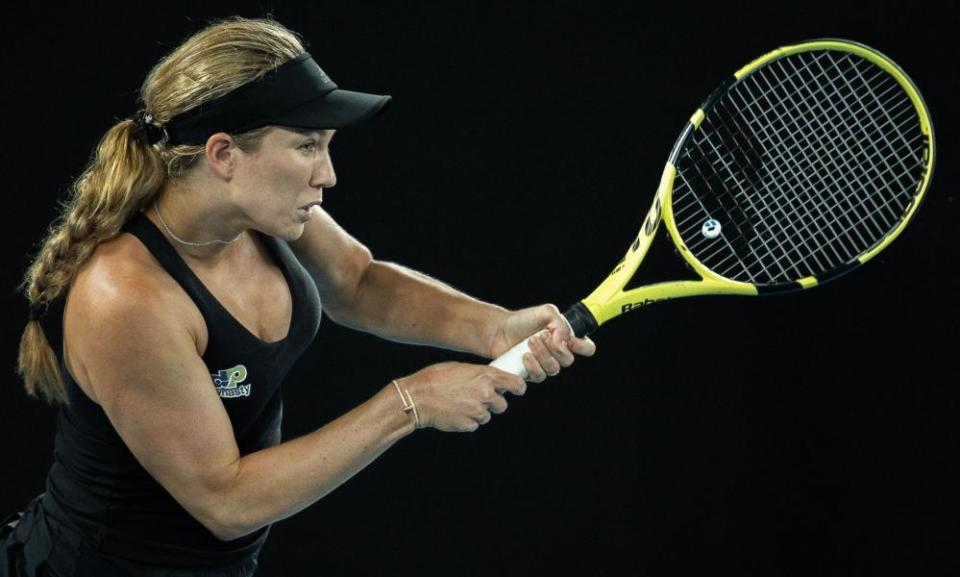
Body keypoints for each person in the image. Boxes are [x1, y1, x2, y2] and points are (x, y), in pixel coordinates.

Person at [1, 15, 595, 577]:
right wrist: (409, 402)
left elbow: (358, 283)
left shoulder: (267, 209)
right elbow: (225, 499)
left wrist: (493, 328)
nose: (328, 174)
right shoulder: (125, 296)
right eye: (308, 146)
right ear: (224, 154)